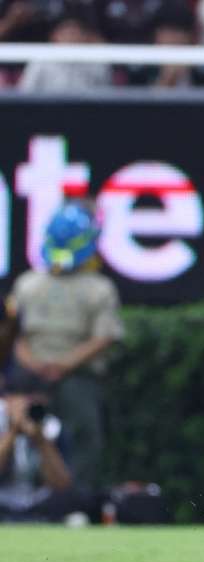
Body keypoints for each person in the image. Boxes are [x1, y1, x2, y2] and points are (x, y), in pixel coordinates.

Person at [8, 203, 124, 490]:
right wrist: (30, 362)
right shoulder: (27, 284)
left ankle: (78, 500)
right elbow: (13, 333)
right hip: (27, 375)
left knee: (84, 431)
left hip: (77, 376)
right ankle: (15, 493)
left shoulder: (99, 288)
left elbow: (103, 337)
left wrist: (64, 365)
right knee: (12, 424)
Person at [0, 388, 87, 522]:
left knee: (74, 499)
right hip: (3, 503)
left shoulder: (52, 427)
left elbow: (62, 484)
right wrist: (12, 431)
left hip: (40, 505)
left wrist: (40, 440)